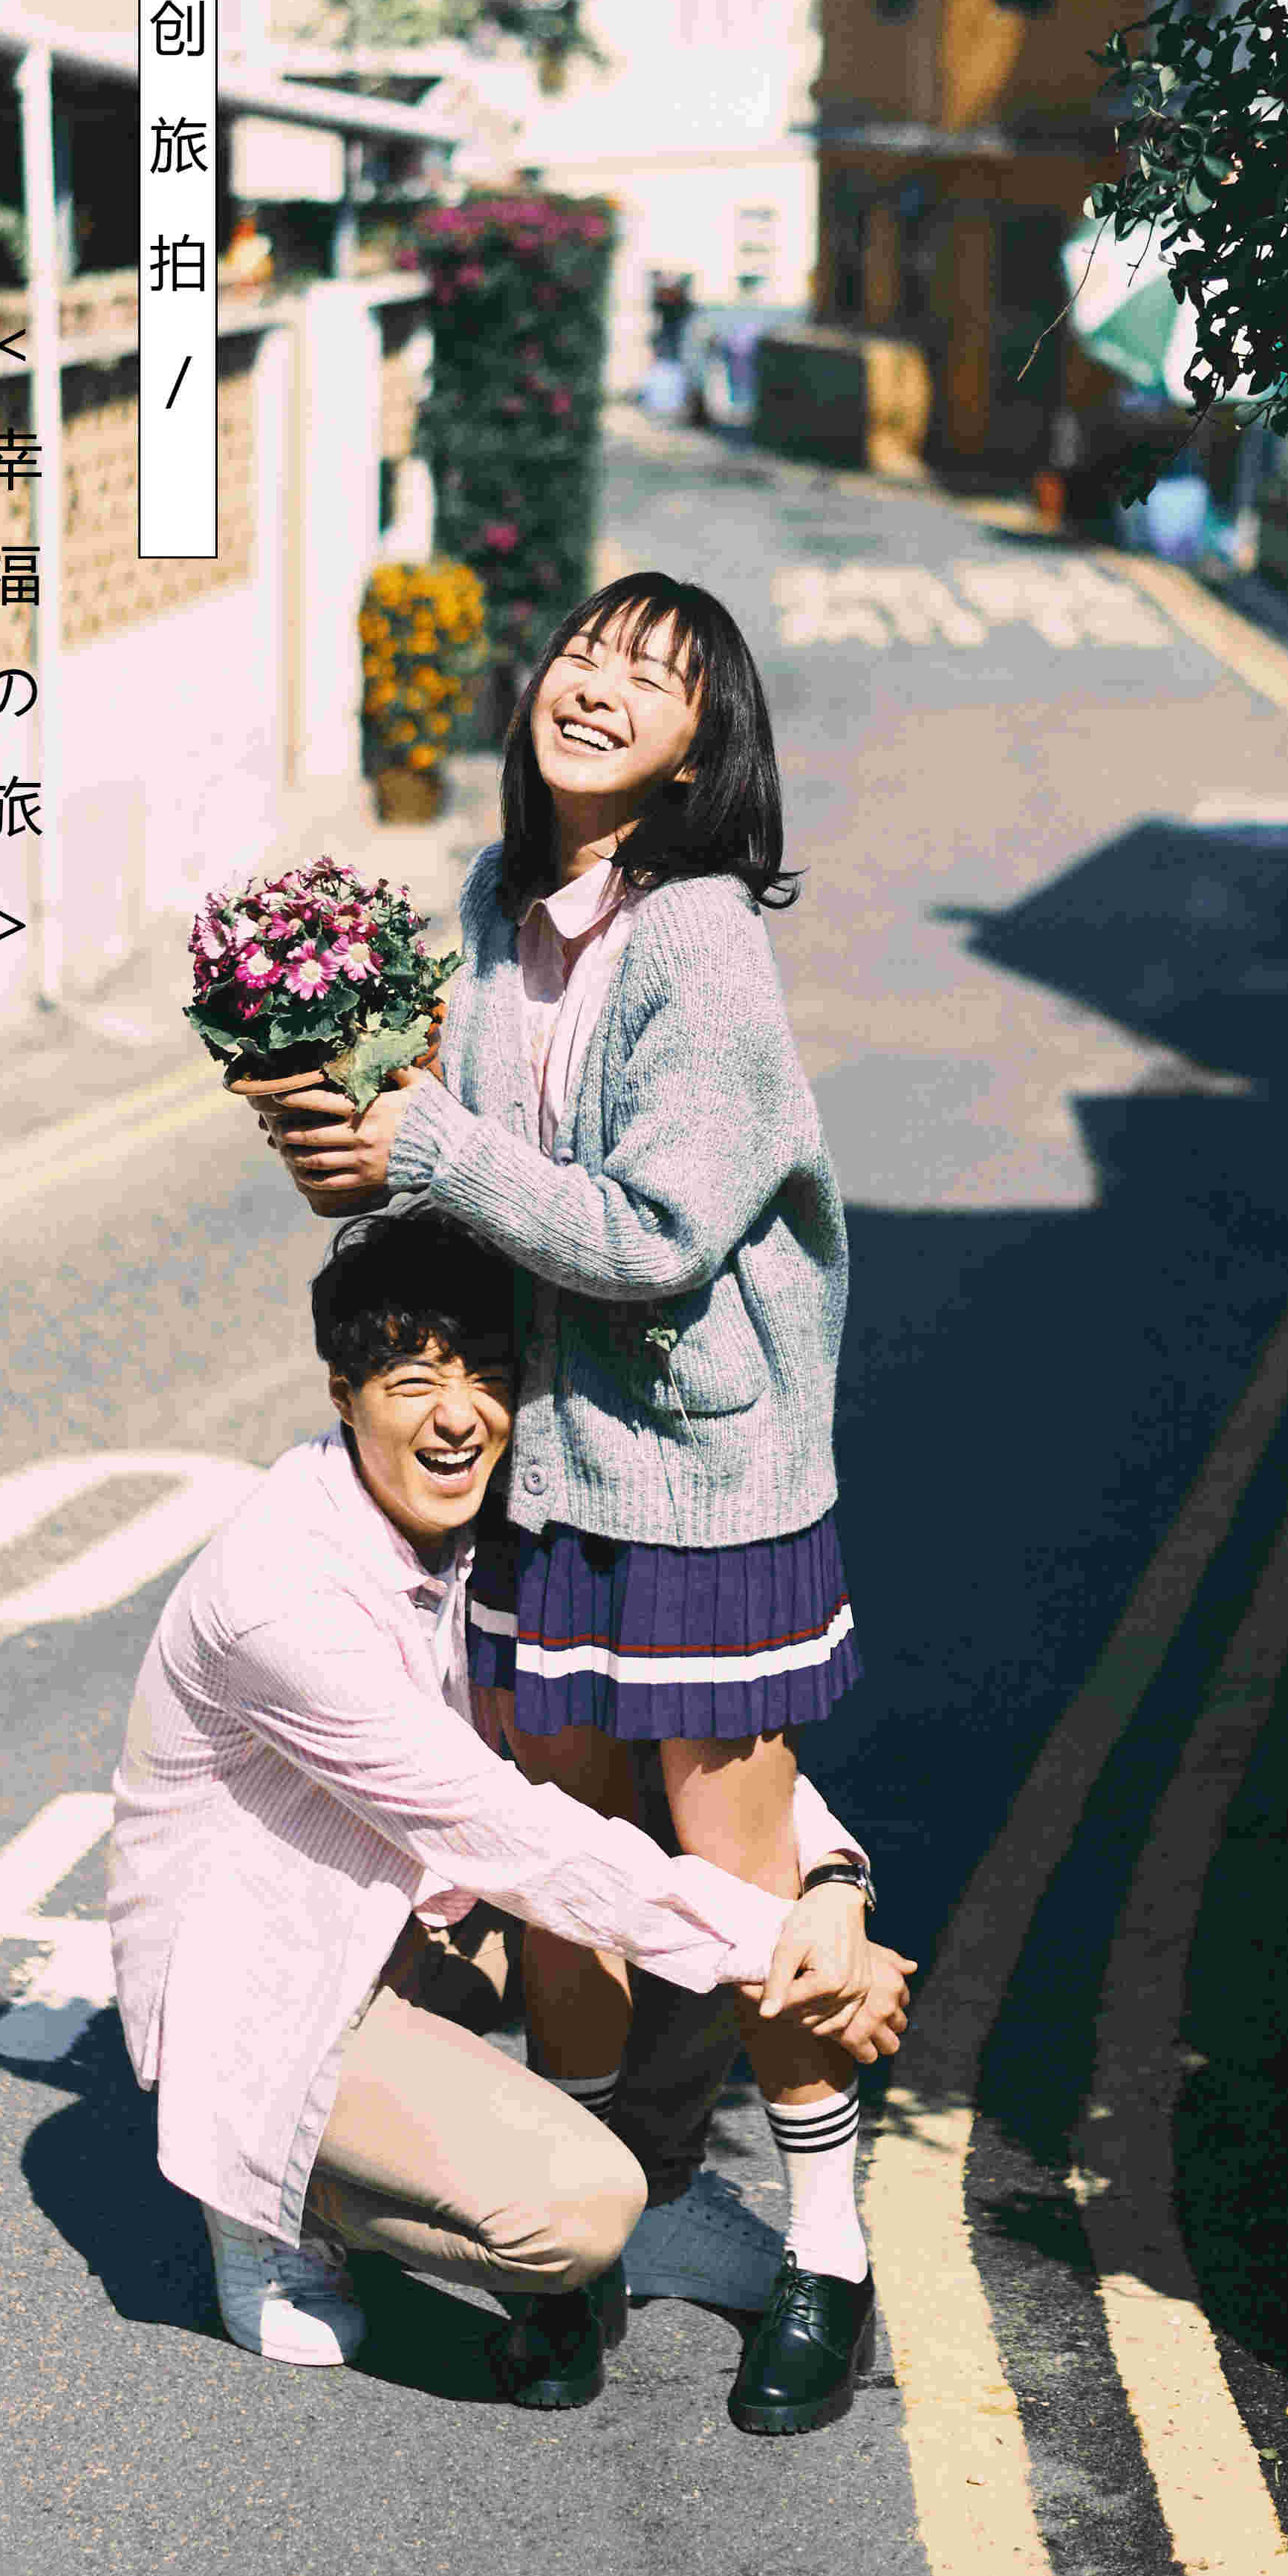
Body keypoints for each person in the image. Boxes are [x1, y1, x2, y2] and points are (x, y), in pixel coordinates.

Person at [238, 571, 879, 2433]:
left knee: (736, 1874)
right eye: (585, 653)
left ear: (698, 751)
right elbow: (475, 1192)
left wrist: (429, 1139)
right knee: (565, 1868)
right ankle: (582, 2245)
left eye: (651, 680)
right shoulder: (492, 907)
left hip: (701, 1479)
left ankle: (826, 2252)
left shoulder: (699, 942)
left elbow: (657, 1234)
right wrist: (350, 1147)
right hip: (549, 1475)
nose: (596, 687)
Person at [107, 1206, 908, 2429]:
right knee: (576, 2215)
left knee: (672, 1840)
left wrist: (831, 1887)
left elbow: (682, 1726)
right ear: (343, 1395)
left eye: (486, 1377)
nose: (457, 1416)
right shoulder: (285, 1599)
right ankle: (271, 2189)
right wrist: (785, 1951)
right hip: (272, 1977)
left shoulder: (487, 1527)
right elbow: (504, 1831)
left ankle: (626, 2183)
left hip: (408, 1916)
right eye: (412, 1383)